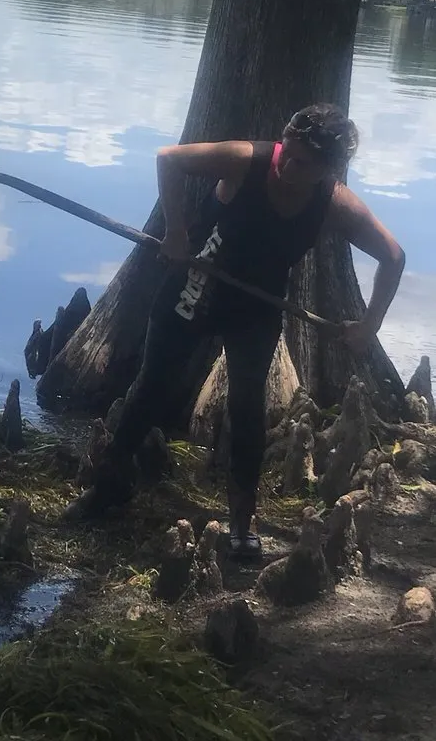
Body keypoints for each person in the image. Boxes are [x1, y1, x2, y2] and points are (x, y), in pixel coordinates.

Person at [64, 104, 405, 560]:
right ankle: (106, 487)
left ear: (328, 170)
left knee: (247, 407)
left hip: (256, 307)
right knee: (150, 388)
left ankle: (243, 522)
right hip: (196, 285)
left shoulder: (333, 203)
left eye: (302, 164)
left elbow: (393, 256)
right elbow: (169, 158)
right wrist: (179, 232)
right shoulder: (247, 159)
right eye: (287, 148)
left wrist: (369, 325)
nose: (287, 164)